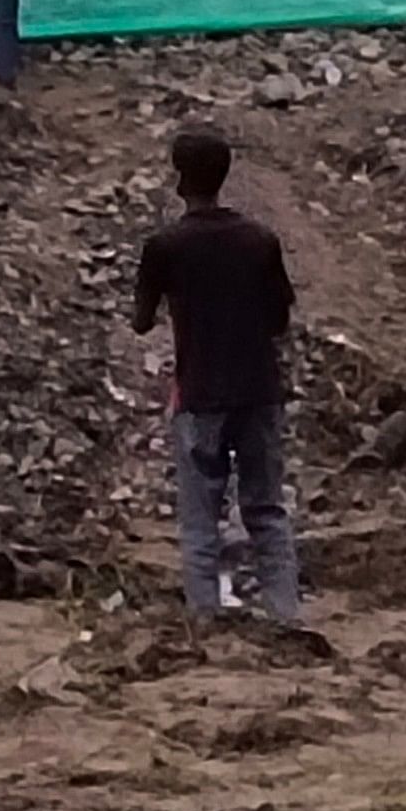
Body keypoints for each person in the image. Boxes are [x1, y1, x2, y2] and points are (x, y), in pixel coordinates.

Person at [132, 127, 301, 625]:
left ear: (181, 180)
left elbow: (141, 321)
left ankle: (203, 620)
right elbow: (279, 320)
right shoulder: (260, 240)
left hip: (200, 393)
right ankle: (286, 614)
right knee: (267, 509)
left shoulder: (165, 246)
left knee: (200, 516)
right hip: (259, 391)